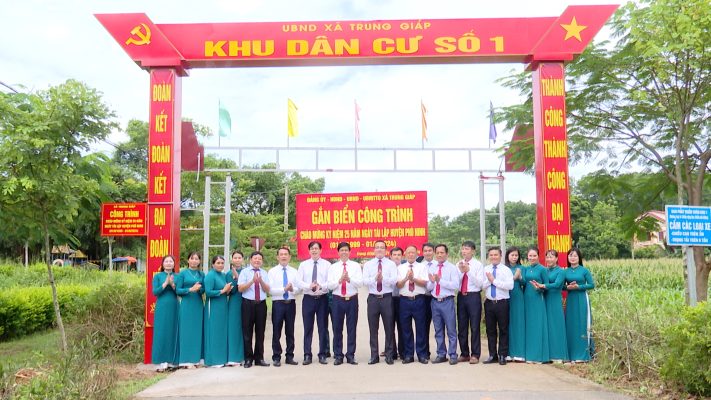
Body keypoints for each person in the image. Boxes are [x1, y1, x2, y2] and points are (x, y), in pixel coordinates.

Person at [327, 242, 363, 365]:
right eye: (341, 250)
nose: (344, 252)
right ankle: (338, 355)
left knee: (351, 328)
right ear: (338, 252)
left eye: (346, 250)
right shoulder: (333, 267)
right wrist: (340, 280)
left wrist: (349, 279)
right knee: (337, 328)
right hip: (338, 300)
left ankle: (350, 355)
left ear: (349, 252)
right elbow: (329, 285)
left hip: (352, 299)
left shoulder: (355, 266)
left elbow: (360, 283)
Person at [362, 240, 398, 365]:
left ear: (385, 250)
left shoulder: (391, 264)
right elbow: (364, 281)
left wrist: (384, 279)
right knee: (373, 329)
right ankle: (374, 356)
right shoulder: (368, 265)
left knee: (389, 328)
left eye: (382, 247)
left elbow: (394, 280)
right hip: (373, 298)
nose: (379, 249)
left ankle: (389, 355)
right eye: (377, 247)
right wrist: (374, 279)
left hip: (387, 298)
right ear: (374, 250)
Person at [296, 241, 331, 365]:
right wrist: (308, 286)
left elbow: (330, 282)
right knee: (308, 328)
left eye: (316, 248)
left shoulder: (327, 265)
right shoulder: (303, 265)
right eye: (312, 248)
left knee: (323, 327)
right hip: (308, 299)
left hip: (322, 299)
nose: (314, 250)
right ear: (309, 251)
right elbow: (298, 282)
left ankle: (322, 354)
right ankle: (307, 354)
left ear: (321, 250)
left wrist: (321, 286)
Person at [426, 244, 460, 365]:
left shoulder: (452, 268)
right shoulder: (432, 267)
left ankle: (453, 354)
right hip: (435, 301)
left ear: (447, 254)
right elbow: (429, 287)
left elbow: (455, 285)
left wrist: (440, 281)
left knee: (451, 329)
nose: (439, 255)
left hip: (447, 301)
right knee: (438, 330)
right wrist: (432, 282)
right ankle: (441, 354)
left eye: (442, 253)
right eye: (438, 253)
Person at [533, 249, 569, 362]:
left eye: (551, 257)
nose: (549, 259)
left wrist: (543, 285)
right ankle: (548, 354)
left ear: (556, 258)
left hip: (555, 300)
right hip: (545, 299)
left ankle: (559, 355)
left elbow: (557, 284)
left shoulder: (561, 271)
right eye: (547, 257)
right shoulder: (545, 270)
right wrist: (538, 287)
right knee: (547, 326)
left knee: (556, 326)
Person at [396, 245, 430, 364]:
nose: (411, 254)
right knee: (406, 329)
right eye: (409, 252)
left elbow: (424, 283)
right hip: (404, 301)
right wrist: (406, 278)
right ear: (405, 254)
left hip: (419, 300)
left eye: (413, 252)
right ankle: (408, 354)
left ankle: (422, 354)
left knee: (421, 328)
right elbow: (398, 285)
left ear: (417, 254)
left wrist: (413, 278)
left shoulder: (422, 267)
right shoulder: (400, 268)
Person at [238, 251, 271, 368]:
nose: (257, 260)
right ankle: (248, 358)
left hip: (261, 304)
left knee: (260, 332)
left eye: (259, 259)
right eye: (255, 258)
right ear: (250, 260)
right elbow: (240, 288)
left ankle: (259, 358)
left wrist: (260, 281)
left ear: (262, 261)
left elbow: (267, 290)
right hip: (248, 304)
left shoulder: (264, 273)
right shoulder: (244, 272)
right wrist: (252, 281)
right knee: (247, 332)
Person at [268, 247, 300, 366]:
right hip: (278, 303)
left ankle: (289, 356)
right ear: (277, 257)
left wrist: (292, 289)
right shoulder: (272, 272)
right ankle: (276, 356)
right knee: (277, 330)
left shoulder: (294, 271)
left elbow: (299, 289)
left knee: (290, 331)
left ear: (289, 257)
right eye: (281, 254)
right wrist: (284, 289)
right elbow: (270, 290)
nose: (283, 256)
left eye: (286, 254)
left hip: (290, 303)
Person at [482, 247, 514, 365]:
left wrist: (494, 281)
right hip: (489, 302)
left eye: (496, 255)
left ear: (500, 256)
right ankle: (492, 354)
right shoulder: (486, 269)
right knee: (490, 329)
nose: (493, 257)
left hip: (502, 303)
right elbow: (482, 285)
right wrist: (489, 280)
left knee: (503, 329)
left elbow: (510, 286)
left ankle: (502, 355)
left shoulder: (506, 270)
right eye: (491, 255)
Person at [456, 240, 485, 364]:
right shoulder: (458, 264)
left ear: (473, 251)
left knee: (474, 326)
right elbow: (456, 283)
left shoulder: (478, 265)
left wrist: (468, 271)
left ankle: (475, 354)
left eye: (467, 249)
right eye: (463, 249)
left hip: (473, 296)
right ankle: (464, 353)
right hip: (461, 296)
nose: (464, 251)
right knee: (462, 326)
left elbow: (480, 284)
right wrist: (461, 272)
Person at [565, 248, 595, 362]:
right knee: (571, 324)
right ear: (568, 258)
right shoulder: (565, 271)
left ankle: (584, 354)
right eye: (570, 255)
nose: (572, 258)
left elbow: (591, 285)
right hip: (571, 299)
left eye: (575, 256)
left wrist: (579, 287)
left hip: (582, 298)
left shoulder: (584, 271)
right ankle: (571, 354)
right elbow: (561, 286)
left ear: (579, 258)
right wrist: (568, 287)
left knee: (582, 324)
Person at [176, 252, 204, 368]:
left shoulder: (201, 274)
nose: (194, 261)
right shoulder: (182, 273)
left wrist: (199, 289)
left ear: (199, 261)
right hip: (187, 304)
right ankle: (186, 360)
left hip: (198, 304)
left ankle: (196, 359)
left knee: (197, 331)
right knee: (186, 331)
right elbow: (178, 290)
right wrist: (190, 289)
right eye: (192, 258)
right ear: (188, 260)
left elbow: (203, 290)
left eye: (196, 259)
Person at [151, 255, 179, 371]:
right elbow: (155, 292)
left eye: (171, 261)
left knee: (173, 331)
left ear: (174, 264)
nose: (168, 263)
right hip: (162, 306)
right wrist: (165, 283)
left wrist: (172, 284)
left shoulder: (177, 276)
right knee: (161, 331)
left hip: (174, 305)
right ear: (162, 264)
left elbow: (179, 292)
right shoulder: (157, 276)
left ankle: (172, 360)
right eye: (166, 261)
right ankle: (161, 361)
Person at [203, 255, 232, 367]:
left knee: (221, 331)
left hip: (223, 306)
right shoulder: (210, 275)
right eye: (218, 263)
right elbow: (208, 292)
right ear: (213, 264)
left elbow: (225, 291)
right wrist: (222, 291)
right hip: (213, 306)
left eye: (222, 263)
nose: (220, 265)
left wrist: (228, 290)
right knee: (213, 331)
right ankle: (213, 360)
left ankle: (221, 359)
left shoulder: (223, 275)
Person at [523, 247, 550, 363]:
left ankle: (539, 356)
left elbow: (547, 286)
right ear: (527, 256)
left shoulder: (543, 269)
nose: (532, 258)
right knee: (529, 326)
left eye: (534, 255)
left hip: (538, 299)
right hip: (526, 299)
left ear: (538, 256)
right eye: (530, 256)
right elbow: (523, 283)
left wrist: (539, 288)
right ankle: (529, 355)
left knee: (538, 326)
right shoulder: (526, 269)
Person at [505, 247, 526, 362]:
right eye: (512, 255)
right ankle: (507, 353)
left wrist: (520, 277)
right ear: (507, 256)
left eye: (516, 255)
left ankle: (519, 353)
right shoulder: (504, 268)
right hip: (505, 296)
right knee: (506, 324)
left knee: (518, 323)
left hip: (517, 296)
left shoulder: (521, 268)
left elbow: (525, 282)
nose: (514, 257)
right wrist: (514, 278)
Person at [226, 250, 245, 366]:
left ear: (243, 259)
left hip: (246, 301)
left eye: (239, 258)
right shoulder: (228, 274)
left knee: (245, 329)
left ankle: (244, 356)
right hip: (234, 302)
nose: (237, 260)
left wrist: (239, 278)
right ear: (232, 259)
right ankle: (233, 357)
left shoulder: (246, 271)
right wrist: (235, 279)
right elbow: (231, 291)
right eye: (235, 258)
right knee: (234, 328)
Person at [388, 246, 405, 360]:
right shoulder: (387, 268)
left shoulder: (405, 268)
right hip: (389, 298)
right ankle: (392, 351)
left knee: (402, 325)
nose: (396, 257)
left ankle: (403, 351)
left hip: (402, 299)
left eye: (399, 255)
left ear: (402, 256)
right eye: (394, 255)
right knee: (390, 326)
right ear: (390, 256)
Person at [420, 242, 436, 359]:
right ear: (422, 252)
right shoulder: (419, 265)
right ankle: (425, 352)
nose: (427, 253)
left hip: (436, 298)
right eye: (425, 251)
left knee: (439, 326)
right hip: (423, 298)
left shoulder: (438, 264)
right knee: (424, 326)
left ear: (433, 252)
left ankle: (441, 352)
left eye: (430, 250)